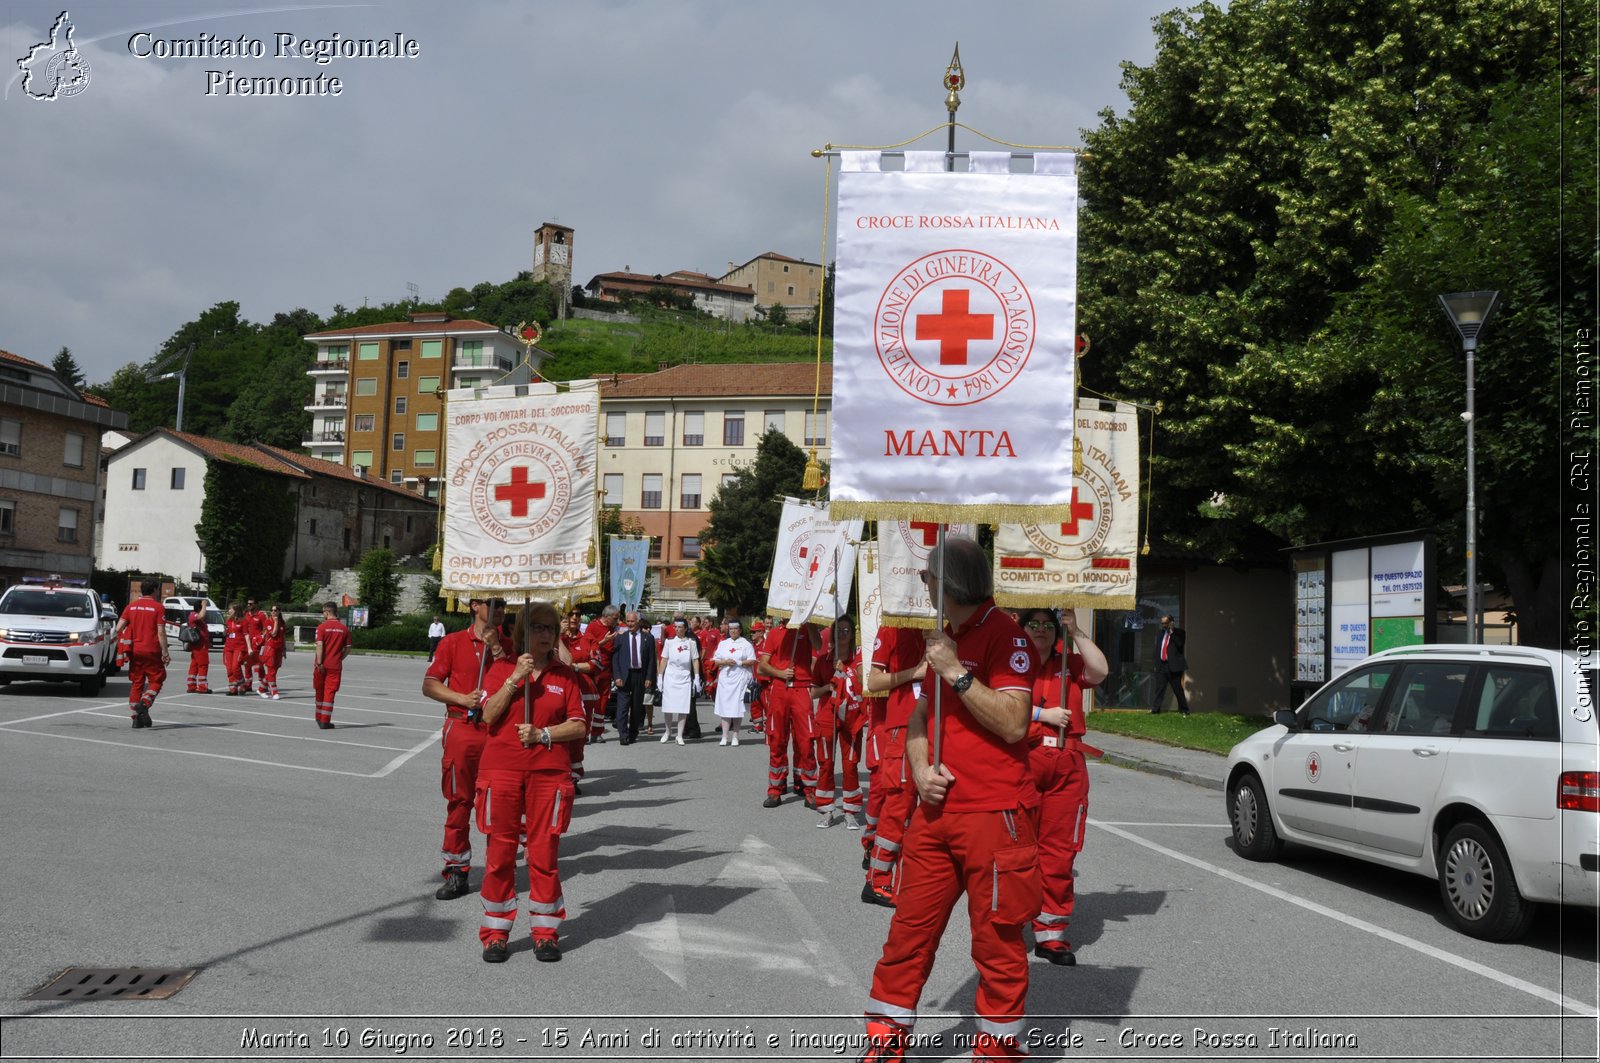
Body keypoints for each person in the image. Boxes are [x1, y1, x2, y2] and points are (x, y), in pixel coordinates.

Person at [858, 536, 1041, 1062]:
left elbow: (1013, 723)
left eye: (928, 576)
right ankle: (886, 1042)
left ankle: (999, 1050)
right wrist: (919, 769)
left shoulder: (1008, 637)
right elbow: (918, 720)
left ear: (951, 583)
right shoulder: (944, 637)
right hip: (936, 816)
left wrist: (956, 672)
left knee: (997, 942)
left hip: (996, 815)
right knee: (908, 932)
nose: (922, 584)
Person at [474, 601, 587, 964]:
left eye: (550, 629)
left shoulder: (565, 675)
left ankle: (545, 932)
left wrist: (543, 734)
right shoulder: (502, 668)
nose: (545, 634)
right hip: (501, 771)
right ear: (523, 631)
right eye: (537, 627)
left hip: (548, 774)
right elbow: (488, 716)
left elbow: (579, 725)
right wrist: (513, 681)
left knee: (543, 854)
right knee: (499, 855)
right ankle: (495, 933)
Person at [1020, 607, 1108, 966]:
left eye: (1047, 624)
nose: (1040, 630)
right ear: (1022, 628)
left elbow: (1100, 672)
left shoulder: (1068, 662)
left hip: (1066, 764)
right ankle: (1011, 921)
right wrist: (1042, 715)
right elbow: (994, 704)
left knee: (1059, 852)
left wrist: (1077, 629)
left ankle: (1050, 933)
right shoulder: (1011, 662)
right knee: (1016, 847)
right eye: (1033, 624)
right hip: (1023, 760)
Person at [422, 597, 509, 900]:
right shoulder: (453, 642)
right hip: (463, 729)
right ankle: (457, 871)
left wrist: (497, 647)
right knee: (459, 801)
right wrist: (461, 698)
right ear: (474, 605)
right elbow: (430, 684)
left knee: (500, 806)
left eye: (503, 605)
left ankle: (499, 871)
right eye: (493, 603)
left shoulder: (511, 645)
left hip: (499, 733)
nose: (500, 610)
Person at [862, 623, 925, 907]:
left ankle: (913, 882)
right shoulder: (891, 628)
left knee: (930, 812)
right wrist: (915, 672)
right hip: (903, 726)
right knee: (899, 807)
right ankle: (878, 880)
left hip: (939, 727)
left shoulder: (946, 625)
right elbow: (873, 682)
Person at [756, 620, 822, 808]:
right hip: (779, 688)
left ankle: (809, 788)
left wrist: (809, 624)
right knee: (777, 739)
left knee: (806, 741)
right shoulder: (776, 633)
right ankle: (775, 789)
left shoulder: (809, 629)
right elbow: (762, 665)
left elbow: (819, 646)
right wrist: (780, 673)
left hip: (802, 689)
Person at [811, 620, 860, 828]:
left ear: (852, 635)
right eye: (838, 630)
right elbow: (813, 693)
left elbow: (864, 687)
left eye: (846, 630)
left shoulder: (859, 660)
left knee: (850, 766)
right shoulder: (823, 660)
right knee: (826, 764)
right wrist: (830, 685)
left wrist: (846, 673)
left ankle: (850, 811)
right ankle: (826, 809)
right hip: (826, 715)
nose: (842, 634)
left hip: (851, 716)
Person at [112, 578, 169, 728]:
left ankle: (135, 716)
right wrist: (165, 652)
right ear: (155, 590)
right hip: (152, 650)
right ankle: (145, 703)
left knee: (137, 683)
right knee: (157, 679)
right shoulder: (158, 607)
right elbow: (161, 632)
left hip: (135, 651)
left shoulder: (131, 607)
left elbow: (118, 628)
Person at [610, 610, 656, 745]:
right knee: (622, 707)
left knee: (636, 707)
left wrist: (649, 677)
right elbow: (615, 659)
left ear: (639, 622)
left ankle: (633, 733)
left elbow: (652, 660)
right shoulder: (621, 637)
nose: (629, 624)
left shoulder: (648, 638)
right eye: (628, 621)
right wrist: (617, 676)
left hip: (640, 675)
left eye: (632, 621)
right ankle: (623, 734)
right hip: (625, 675)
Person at [710, 619, 756, 745]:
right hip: (726, 679)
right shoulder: (723, 644)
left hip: (740, 679)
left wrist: (739, 662)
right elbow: (716, 661)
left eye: (735, 629)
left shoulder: (746, 644)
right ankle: (724, 736)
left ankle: (735, 735)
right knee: (725, 707)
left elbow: (752, 660)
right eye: (731, 629)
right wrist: (725, 662)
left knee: (737, 708)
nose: (733, 631)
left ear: (740, 630)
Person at [656, 617, 700, 745]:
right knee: (668, 707)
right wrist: (660, 676)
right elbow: (664, 659)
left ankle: (679, 735)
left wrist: (696, 677)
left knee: (683, 707)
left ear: (685, 628)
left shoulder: (691, 643)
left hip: (685, 677)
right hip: (671, 677)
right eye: (675, 627)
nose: (677, 629)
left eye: (680, 627)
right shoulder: (669, 642)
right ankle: (668, 731)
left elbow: (695, 660)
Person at [312, 601, 349, 729]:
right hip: (335, 665)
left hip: (320, 665)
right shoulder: (344, 628)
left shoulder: (321, 627)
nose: (323, 614)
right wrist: (339, 658)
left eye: (323, 612)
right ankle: (325, 721)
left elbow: (320, 645)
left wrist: (320, 662)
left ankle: (318, 717)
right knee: (330, 692)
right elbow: (348, 648)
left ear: (327, 612)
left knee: (319, 690)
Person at [1152, 613, 1190, 716]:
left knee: (1177, 688)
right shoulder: (1160, 633)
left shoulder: (1180, 633)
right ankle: (1155, 710)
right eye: (1162, 623)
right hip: (1162, 665)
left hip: (1174, 666)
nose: (1163, 625)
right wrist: (1156, 665)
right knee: (1159, 688)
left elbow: (1180, 644)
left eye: (1165, 623)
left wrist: (1172, 632)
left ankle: (1184, 710)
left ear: (1171, 622)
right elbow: (1157, 650)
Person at [184, 600, 211, 694]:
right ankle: (203, 687)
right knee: (203, 665)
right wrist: (204, 605)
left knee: (194, 665)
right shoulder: (194, 615)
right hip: (200, 646)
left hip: (199, 645)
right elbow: (201, 615)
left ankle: (191, 685)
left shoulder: (194, 616)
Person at [222, 600, 249, 696]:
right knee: (229, 668)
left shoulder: (243, 621)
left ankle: (242, 684)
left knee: (235, 667)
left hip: (239, 647)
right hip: (229, 647)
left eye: (230, 609)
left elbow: (246, 635)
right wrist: (225, 631)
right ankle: (233, 688)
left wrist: (249, 648)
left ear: (236, 610)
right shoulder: (228, 620)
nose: (229, 610)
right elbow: (226, 634)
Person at [260, 605, 287, 700]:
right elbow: (274, 634)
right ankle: (274, 691)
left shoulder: (282, 622)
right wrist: (275, 622)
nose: (273, 612)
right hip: (270, 648)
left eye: (275, 610)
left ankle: (261, 689)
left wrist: (284, 649)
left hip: (279, 649)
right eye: (271, 610)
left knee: (274, 671)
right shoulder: (268, 621)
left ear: (279, 611)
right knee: (271, 670)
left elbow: (283, 637)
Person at [243, 597, 268, 695]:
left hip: (257, 644)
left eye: (251, 604)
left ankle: (263, 685)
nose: (249, 605)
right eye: (248, 604)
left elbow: (265, 628)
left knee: (259, 665)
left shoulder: (261, 615)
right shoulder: (245, 615)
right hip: (246, 643)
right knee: (247, 664)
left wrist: (261, 638)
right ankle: (248, 685)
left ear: (255, 604)